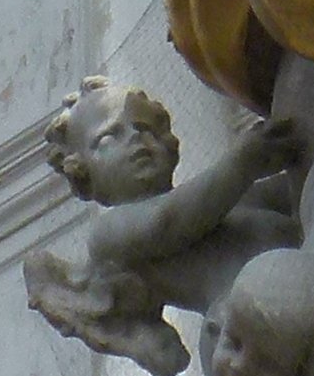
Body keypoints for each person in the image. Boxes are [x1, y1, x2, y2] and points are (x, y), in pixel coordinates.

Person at [22, 79, 298, 376]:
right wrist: (244, 163)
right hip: (244, 335)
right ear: (81, 169)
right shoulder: (111, 233)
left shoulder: (232, 196)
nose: (135, 138)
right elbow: (169, 222)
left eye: (144, 128)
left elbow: (298, 192)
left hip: (303, 298)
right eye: (107, 138)